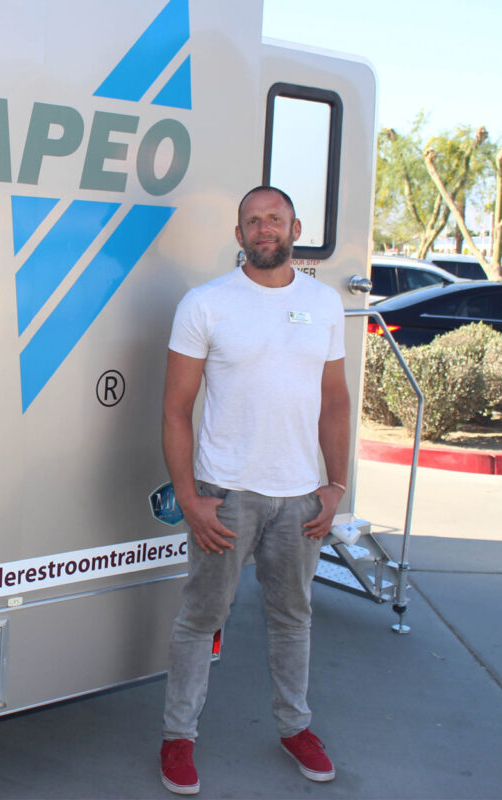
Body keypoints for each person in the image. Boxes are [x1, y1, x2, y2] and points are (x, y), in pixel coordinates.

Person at [157, 186, 350, 794]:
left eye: (274, 218)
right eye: (251, 221)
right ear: (238, 235)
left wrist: (337, 483)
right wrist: (189, 496)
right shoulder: (206, 303)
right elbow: (175, 410)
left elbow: (336, 401)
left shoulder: (324, 303)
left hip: (300, 502)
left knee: (293, 619)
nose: (263, 228)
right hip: (226, 495)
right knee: (201, 619)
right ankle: (178, 737)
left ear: (295, 226)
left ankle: (296, 726)